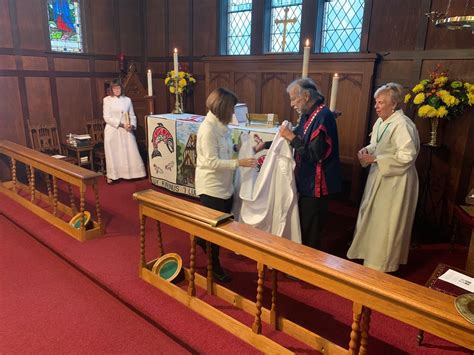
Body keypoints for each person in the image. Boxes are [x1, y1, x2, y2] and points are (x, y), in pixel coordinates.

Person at [256, 78, 341, 249]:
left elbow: (314, 154)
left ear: (307, 96)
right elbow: (294, 135)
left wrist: (291, 137)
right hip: (307, 179)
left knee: (311, 229)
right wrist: (265, 145)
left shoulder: (323, 116)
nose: (292, 104)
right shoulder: (309, 114)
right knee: (304, 223)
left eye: (294, 99)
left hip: (317, 184)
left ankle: (309, 265)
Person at [347, 82, 420, 273]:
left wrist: (376, 159)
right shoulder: (381, 122)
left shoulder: (403, 125)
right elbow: (376, 144)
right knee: (374, 217)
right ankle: (370, 254)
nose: (376, 106)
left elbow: (408, 156)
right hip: (380, 175)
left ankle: (384, 263)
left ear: (393, 105)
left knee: (387, 221)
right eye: (376, 102)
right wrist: (367, 151)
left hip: (396, 181)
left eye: (380, 103)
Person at [195, 87, 257, 282]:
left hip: (224, 184)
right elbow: (210, 162)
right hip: (211, 186)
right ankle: (215, 268)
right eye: (231, 108)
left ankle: (200, 238)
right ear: (222, 108)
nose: (233, 113)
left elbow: (226, 150)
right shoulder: (207, 130)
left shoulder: (221, 126)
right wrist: (239, 162)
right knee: (215, 230)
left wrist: (243, 147)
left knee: (220, 225)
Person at [103, 79, 146, 184]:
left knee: (130, 151)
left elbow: (132, 115)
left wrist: (132, 125)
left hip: (127, 129)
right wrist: (121, 125)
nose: (116, 90)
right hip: (113, 130)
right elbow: (106, 117)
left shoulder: (127, 100)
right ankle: (112, 175)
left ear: (121, 88)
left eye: (118, 88)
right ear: (111, 89)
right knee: (113, 154)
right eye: (114, 88)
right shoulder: (107, 100)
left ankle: (133, 174)